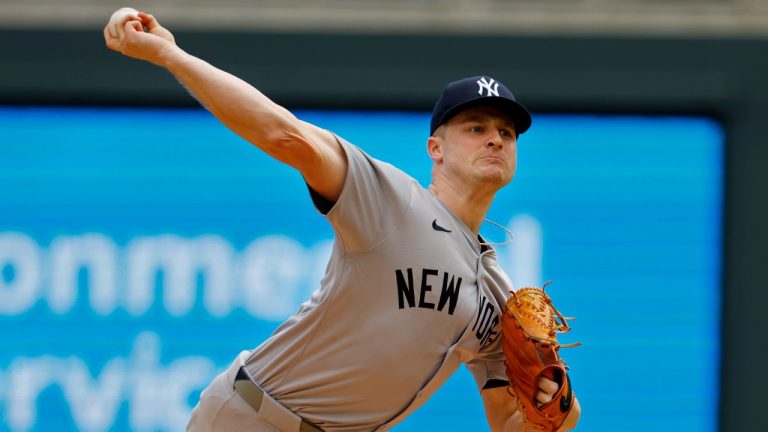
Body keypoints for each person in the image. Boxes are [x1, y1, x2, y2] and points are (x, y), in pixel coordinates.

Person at [104, 11, 581, 432]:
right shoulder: (391, 200)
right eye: (475, 128)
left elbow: (507, 422)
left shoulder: (502, 298)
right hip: (254, 418)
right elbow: (285, 134)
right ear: (435, 149)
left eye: (505, 132)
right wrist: (171, 55)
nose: (495, 139)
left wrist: (558, 410)